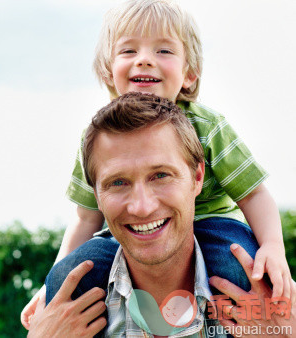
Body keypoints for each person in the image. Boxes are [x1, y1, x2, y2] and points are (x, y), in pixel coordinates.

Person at [21, 0, 294, 329]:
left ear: (189, 74)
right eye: (128, 51)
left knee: (242, 274)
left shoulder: (208, 125)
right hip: (125, 238)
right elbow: (85, 217)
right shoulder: (96, 138)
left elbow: (253, 194)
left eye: (163, 51)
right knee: (73, 275)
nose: (145, 59)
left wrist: (273, 248)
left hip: (215, 227)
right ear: (109, 70)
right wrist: (53, 287)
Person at [27, 93, 295, 337]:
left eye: (161, 175)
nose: (142, 207)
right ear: (95, 196)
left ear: (198, 178)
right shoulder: (66, 317)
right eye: (117, 182)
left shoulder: (270, 306)